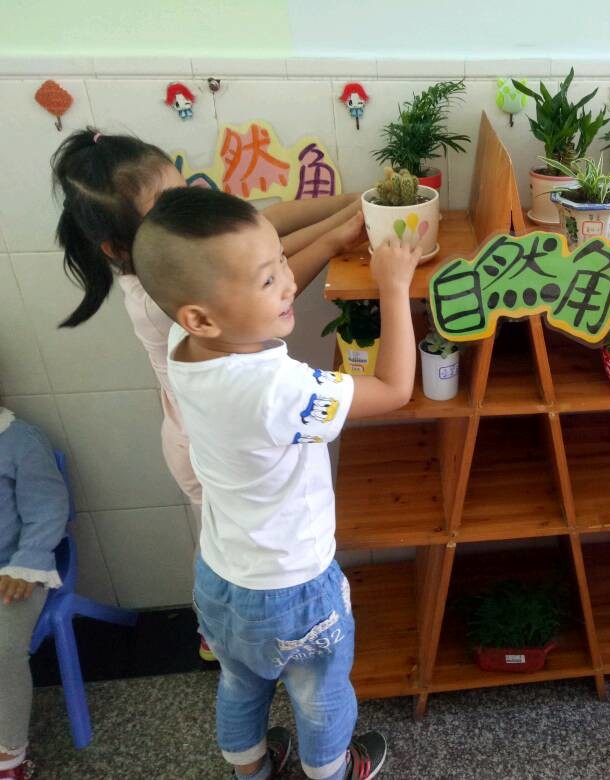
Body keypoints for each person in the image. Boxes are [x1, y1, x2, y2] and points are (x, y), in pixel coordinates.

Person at [132, 187, 420, 780]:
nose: (288, 282)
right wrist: (394, 286)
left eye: (282, 263)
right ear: (201, 314)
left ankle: (251, 769)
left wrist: (330, 242)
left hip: (221, 577)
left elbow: (255, 292)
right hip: (294, 589)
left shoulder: (182, 343)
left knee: (241, 682)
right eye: (270, 279)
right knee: (320, 693)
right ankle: (330, 771)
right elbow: (394, 389)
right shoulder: (277, 391)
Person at [51, 128, 363, 661]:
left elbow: (267, 230)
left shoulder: (187, 260)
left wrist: (353, 204)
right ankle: (219, 637)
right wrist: (337, 236)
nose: (186, 212)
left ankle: (225, 632)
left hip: (204, 428)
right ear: (120, 248)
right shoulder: (158, 301)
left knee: (228, 543)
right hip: (199, 442)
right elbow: (264, 275)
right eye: (164, 207)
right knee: (233, 553)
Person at [0, 407, 70, 780]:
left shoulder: (17, 439)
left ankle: (8, 758)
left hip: (12, 572)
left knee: (1, 651)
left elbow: (47, 508)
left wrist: (26, 561)